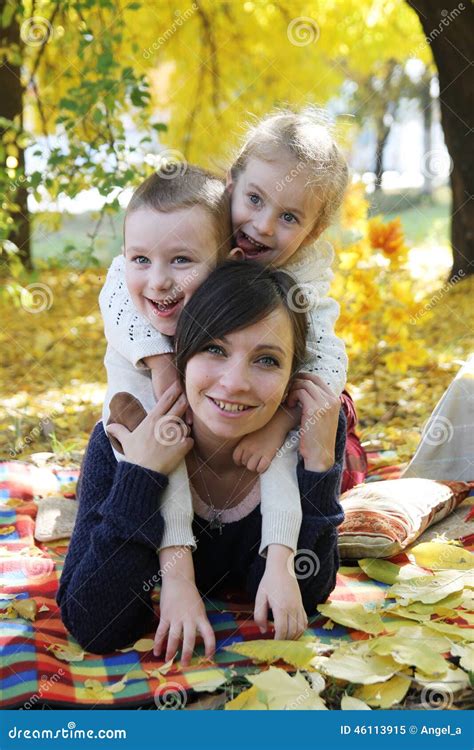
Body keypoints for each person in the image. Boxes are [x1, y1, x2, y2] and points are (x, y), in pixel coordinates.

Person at [57, 261, 346, 666]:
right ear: (180, 354)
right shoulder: (123, 439)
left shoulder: (308, 439)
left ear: (291, 375)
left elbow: (308, 594)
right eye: (214, 348)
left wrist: (318, 467)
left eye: (266, 360)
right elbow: (97, 624)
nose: (234, 382)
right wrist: (139, 477)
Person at [99, 106, 352, 568]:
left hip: (265, 405)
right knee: (144, 429)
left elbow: (326, 361)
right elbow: (119, 288)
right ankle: (154, 532)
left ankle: (288, 543)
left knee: (333, 419)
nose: (263, 225)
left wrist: (278, 428)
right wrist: (159, 362)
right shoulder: (196, 233)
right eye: (254, 200)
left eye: (290, 217)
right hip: (182, 390)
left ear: (313, 231)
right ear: (232, 183)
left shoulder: (303, 281)